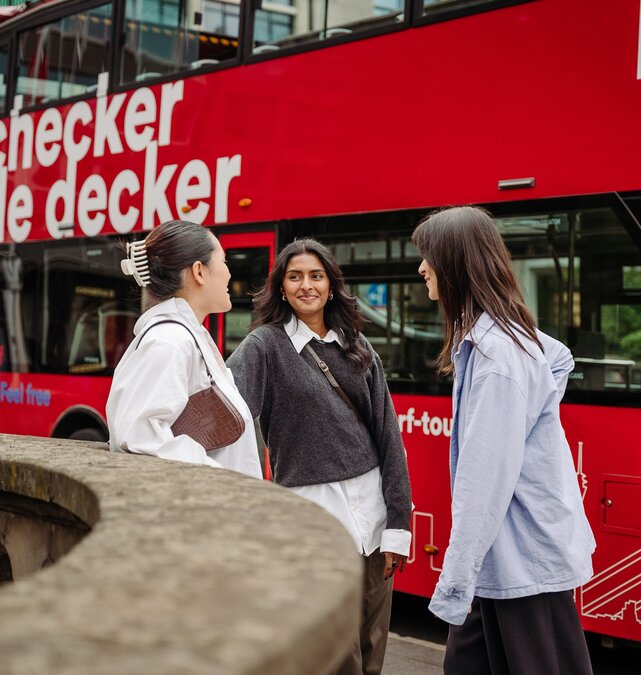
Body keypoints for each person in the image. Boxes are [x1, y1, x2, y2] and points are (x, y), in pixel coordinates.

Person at [412, 207, 596, 675]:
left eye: (428, 257)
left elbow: (484, 479)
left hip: (520, 563)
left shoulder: (498, 359)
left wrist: (454, 581)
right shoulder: (492, 344)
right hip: (500, 562)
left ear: (455, 264)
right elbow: (558, 358)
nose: (421, 268)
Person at [226, 238, 412, 675]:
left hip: (372, 518)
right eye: (295, 277)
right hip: (312, 519)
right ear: (281, 287)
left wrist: (399, 524)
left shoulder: (357, 346)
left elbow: (389, 438)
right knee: (334, 652)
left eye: (315, 276)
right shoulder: (265, 347)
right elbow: (224, 408)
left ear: (331, 285)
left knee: (372, 646)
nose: (305, 285)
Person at [106, 220, 262, 479]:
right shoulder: (170, 342)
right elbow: (139, 437)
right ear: (199, 272)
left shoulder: (185, 337)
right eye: (224, 261)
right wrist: (226, 480)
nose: (229, 274)